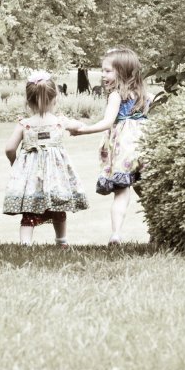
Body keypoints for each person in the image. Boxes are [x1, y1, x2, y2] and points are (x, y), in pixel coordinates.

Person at [70, 46, 150, 245]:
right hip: (144, 146)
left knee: (122, 192)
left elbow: (107, 122)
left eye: (107, 71)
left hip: (124, 150)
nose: (102, 75)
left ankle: (116, 233)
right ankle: (157, 232)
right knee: (146, 192)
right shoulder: (144, 95)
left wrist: (82, 130)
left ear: (122, 72)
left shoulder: (116, 96)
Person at [3, 70, 88, 246]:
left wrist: (14, 161)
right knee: (58, 206)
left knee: (29, 209)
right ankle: (62, 241)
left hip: (31, 178)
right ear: (55, 98)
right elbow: (79, 126)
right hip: (55, 177)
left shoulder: (24, 125)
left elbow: (10, 148)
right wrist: (76, 125)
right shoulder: (59, 122)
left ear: (28, 101)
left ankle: (25, 244)